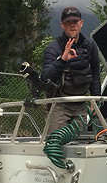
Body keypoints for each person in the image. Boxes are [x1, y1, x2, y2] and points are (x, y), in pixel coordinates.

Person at [41, 7, 102, 135]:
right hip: (58, 105)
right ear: (62, 25)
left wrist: (95, 100)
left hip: (81, 105)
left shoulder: (90, 45)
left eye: (75, 21)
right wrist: (63, 59)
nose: (72, 25)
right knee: (56, 145)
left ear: (81, 23)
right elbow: (45, 78)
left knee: (79, 146)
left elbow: (95, 74)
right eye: (68, 22)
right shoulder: (54, 47)